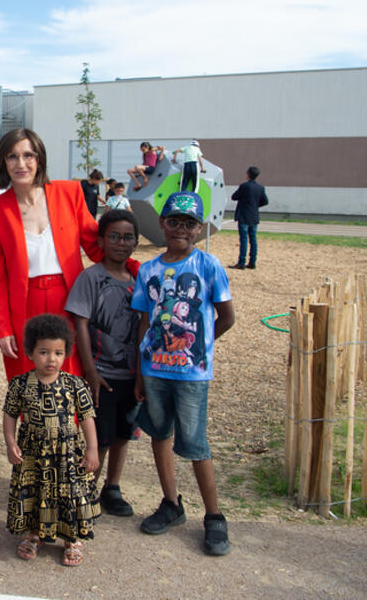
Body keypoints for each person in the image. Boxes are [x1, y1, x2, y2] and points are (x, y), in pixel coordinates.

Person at [131, 191, 235, 556]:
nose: (180, 229)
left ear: (200, 228)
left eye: (189, 223)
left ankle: (214, 515)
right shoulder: (149, 270)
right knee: (160, 434)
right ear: (161, 223)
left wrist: (200, 347)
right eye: (173, 221)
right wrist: (142, 370)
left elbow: (226, 316)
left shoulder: (209, 266)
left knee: (194, 444)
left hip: (191, 375)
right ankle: (171, 503)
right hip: (156, 371)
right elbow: (144, 320)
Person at [0, 128, 103, 381]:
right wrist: (3, 328)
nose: (21, 164)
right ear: (3, 162)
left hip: (69, 300)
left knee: (71, 379)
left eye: (28, 155)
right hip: (23, 306)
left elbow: (97, 248)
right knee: (28, 382)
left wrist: (137, 269)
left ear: (39, 159)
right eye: (12, 157)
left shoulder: (69, 193)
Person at [3, 314, 100, 567]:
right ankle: (34, 535)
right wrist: (10, 442)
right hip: (33, 451)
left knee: (69, 494)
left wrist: (92, 449)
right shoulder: (20, 385)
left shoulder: (75, 385)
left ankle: (73, 539)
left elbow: (87, 417)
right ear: (31, 352)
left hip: (67, 452)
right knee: (35, 492)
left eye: (58, 352)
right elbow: (10, 414)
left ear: (66, 352)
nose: (51, 359)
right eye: (44, 352)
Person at [65, 209, 142, 518]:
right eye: (114, 236)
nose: (121, 243)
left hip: (132, 374)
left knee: (125, 433)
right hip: (103, 374)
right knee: (101, 436)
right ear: (101, 240)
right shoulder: (91, 278)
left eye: (128, 237)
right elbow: (80, 323)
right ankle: (86, 491)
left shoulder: (139, 278)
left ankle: (112, 486)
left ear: (136, 242)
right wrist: (91, 372)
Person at [231, 166, 269, 270]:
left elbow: (234, 196)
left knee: (243, 240)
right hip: (254, 216)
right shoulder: (261, 188)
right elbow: (265, 201)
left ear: (248, 174)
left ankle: (241, 262)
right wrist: (255, 205)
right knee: (253, 240)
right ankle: (252, 262)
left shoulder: (244, 186)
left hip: (244, 216)